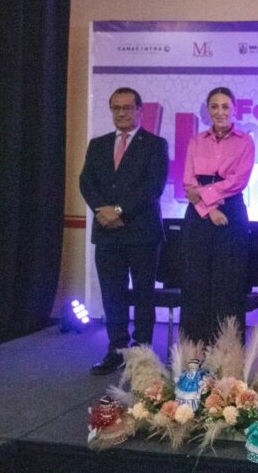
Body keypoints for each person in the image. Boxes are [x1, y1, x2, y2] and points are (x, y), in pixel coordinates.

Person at [80, 87, 168, 376]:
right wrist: (101, 211)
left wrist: (117, 210)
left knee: (144, 295)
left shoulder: (155, 145)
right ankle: (116, 350)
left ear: (140, 110)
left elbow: (152, 187)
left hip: (142, 233)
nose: (121, 113)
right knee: (112, 295)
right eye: (116, 108)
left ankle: (142, 354)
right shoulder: (98, 144)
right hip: (107, 233)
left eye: (128, 108)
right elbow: (86, 183)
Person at [181, 87, 255, 345]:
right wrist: (210, 208)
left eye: (225, 106)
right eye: (215, 106)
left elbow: (238, 181)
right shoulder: (196, 140)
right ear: (208, 109)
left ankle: (226, 351)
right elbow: (188, 185)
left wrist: (206, 195)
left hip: (232, 212)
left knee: (229, 284)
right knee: (196, 282)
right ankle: (194, 353)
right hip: (199, 215)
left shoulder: (245, 141)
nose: (220, 112)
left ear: (234, 110)